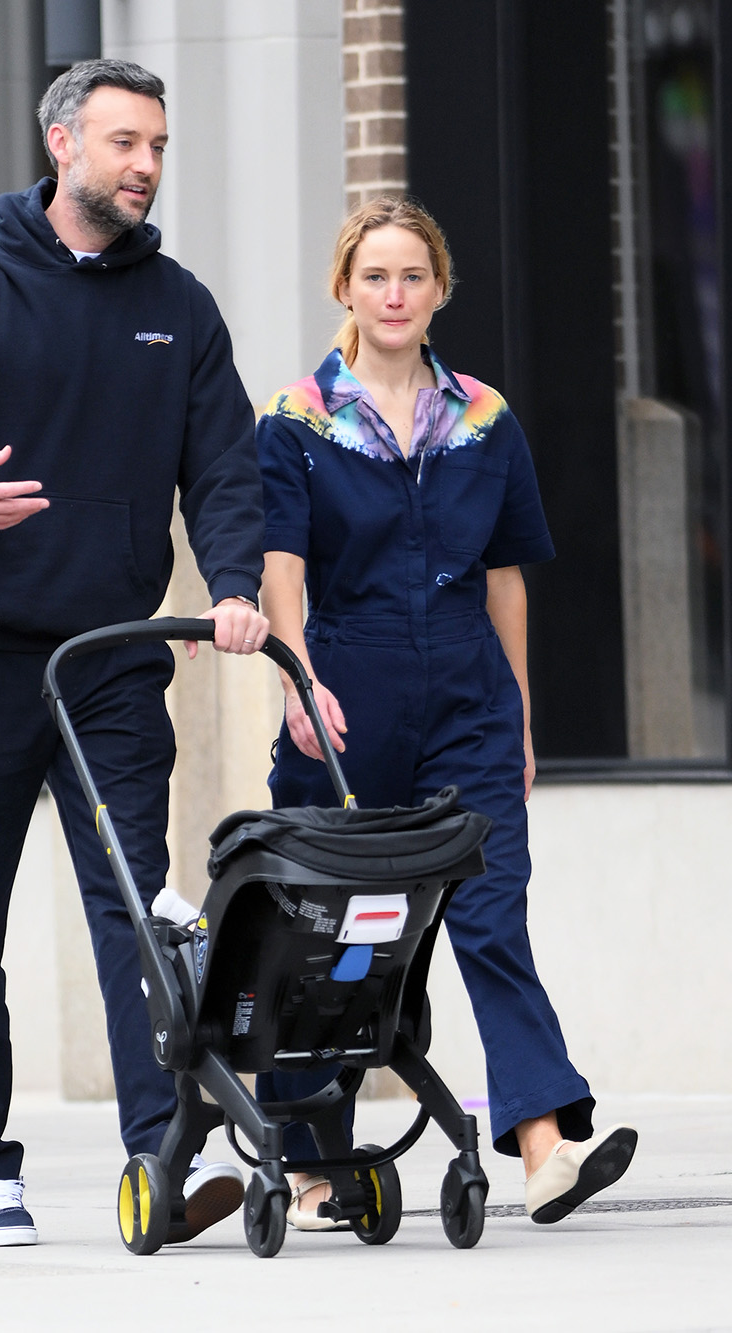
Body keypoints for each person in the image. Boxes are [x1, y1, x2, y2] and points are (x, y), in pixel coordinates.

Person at [0, 58, 269, 1247]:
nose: (145, 165)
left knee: (141, 918)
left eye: (160, 147)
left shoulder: (178, 304)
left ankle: (159, 1158)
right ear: (62, 141)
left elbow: (224, 470)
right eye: (126, 142)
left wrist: (233, 585)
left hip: (113, 659)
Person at [253, 196, 637, 1230]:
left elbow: (506, 574)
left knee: (489, 910)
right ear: (345, 287)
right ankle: (309, 1159)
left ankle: (544, 1143)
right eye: (375, 275)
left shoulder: (484, 416)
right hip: (348, 690)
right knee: (334, 931)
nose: (393, 293)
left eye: (412, 276)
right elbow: (279, 560)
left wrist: (514, 716)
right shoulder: (295, 418)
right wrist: (298, 678)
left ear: (438, 290)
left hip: (467, 687)